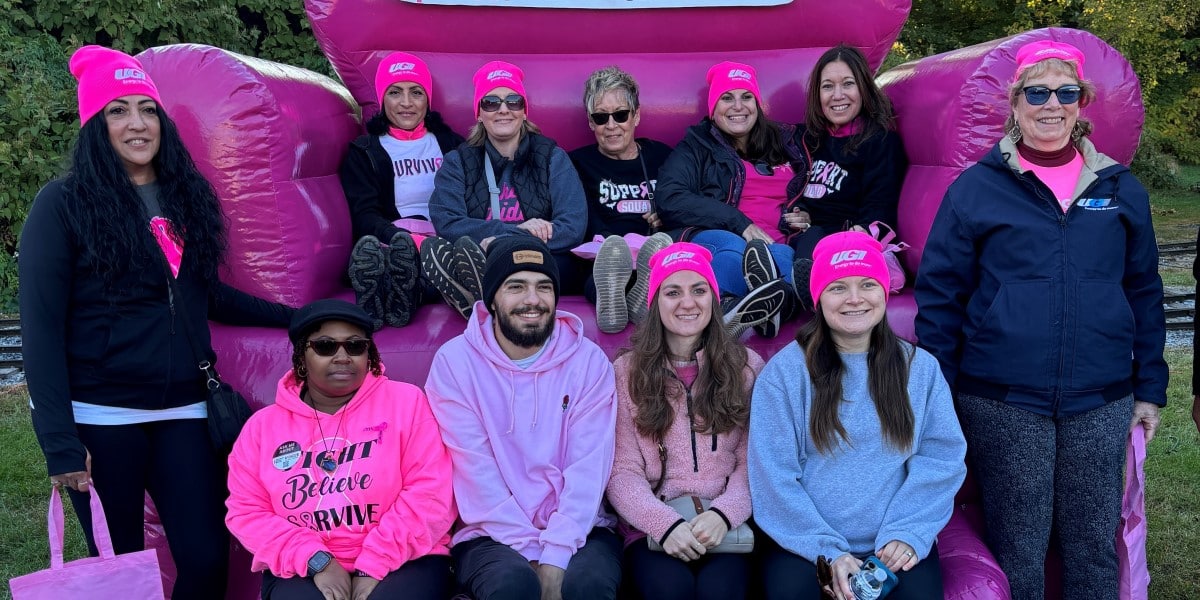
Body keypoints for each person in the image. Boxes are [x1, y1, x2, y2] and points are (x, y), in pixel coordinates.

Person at [18, 45, 294, 600]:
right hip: (101, 417)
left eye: (147, 108)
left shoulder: (182, 196)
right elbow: (39, 331)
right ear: (96, 124)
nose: (137, 123)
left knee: (206, 558)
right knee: (122, 574)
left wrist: (299, 317)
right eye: (118, 110)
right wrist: (60, 444)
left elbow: (202, 294)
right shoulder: (62, 204)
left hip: (183, 413)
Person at [914, 40, 1166, 600]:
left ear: (1082, 103)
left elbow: (1145, 292)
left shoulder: (1120, 189)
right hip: (1002, 398)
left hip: (1101, 396)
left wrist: (1149, 388)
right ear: (1015, 102)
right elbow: (940, 296)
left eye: (1066, 92)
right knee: (1020, 548)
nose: (1052, 104)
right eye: (1037, 92)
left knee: (1093, 544)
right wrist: (941, 392)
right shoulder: (976, 188)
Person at [749, 231, 966, 600]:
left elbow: (941, 458)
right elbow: (774, 477)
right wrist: (829, 552)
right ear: (818, 298)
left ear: (884, 292)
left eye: (867, 284)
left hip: (895, 542)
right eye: (837, 287)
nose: (854, 298)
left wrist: (907, 533)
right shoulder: (785, 373)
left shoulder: (920, 369)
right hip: (806, 544)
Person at [425, 236, 621, 600]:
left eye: (543, 287)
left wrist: (557, 554)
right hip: (489, 531)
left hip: (580, 529)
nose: (532, 299)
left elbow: (588, 469)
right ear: (492, 300)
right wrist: (532, 554)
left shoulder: (588, 362)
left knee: (588, 587)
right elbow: (475, 473)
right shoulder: (455, 364)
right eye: (516, 287)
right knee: (513, 586)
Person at [226, 300, 454, 600]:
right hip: (302, 566)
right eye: (325, 346)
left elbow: (431, 494)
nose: (343, 356)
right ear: (301, 358)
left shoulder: (406, 404)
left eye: (356, 346)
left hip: (405, 558)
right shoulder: (262, 429)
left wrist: (374, 563)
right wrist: (316, 560)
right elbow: (247, 512)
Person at [606, 242, 764, 600]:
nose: (687, 303)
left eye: (699, 290)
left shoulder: (746, 368)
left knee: (720, 591)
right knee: (669, 590)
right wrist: (664, 524)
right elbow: (621, 470)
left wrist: (724, 515)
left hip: (727, 523)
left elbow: (753, 462)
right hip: (651, 524)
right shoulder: (626, 372)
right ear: (655, 302)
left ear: (714, 298)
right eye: (672, 292)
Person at [426, 61, 588, 319]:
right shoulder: (458, 161)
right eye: (491, 102)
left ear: (524, 111)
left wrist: (504, 242)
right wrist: (518, 231)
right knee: (456, 251)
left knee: (547, 263)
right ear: (478, 113)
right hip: (482, 254)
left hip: (538, 259)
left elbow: (573, 226)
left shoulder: (551, 157)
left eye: (513, 101)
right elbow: (447, 222)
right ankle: (483, 286)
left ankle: (480, 292)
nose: (503, 109)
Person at [656, 60, 806, 338]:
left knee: (783, 257)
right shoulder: (698, 145)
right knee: (733, 246)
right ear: (713, 110)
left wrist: (806, 213)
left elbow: (819, 186)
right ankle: (729, 312)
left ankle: (764, 310)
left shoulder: (788, 142)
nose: (738, 106)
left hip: (777, 242)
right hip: (719, 234)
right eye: (727, 98)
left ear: (757, 104)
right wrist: (739, 222)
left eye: (746, 97)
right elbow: (670, 196)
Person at [340, 51, 465, 329]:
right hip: (392, 241)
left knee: (446, 263)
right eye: (395, 92)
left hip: (444, 241)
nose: (406, 103)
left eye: (416, 92)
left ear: (428, 99)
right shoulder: (365, 152)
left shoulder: (453, 145)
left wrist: (432, 244)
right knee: (386, 256)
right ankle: (383, 292)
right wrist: (404, 239)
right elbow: (364, 215)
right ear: (383, 99)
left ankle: (406, 293)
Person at [784, 45, 907, 310]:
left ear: (863, 87)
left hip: (850, 242)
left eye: (848, 84)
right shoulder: (809, 139)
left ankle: (799, 295)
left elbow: (880, 207)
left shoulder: (880, 141)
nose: (837, 95)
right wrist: (801, 212)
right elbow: (806, 192)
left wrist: (856, 235)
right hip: (807, 238)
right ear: (817, 94)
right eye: (827, 86)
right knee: (790, 247)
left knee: (814, 241)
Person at [569, 66, 675, 333]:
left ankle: (639, 295)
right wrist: (613, 246)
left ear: (636, 116)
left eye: (620, 114)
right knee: (602, 275)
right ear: (591, 122)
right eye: (601, 117)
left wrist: (666, 214)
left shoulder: (662, 156)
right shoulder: (577, 162)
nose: (612, 125)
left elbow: (683, 200)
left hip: (652, 253)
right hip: (603, 256)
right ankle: (621, 302)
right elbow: (582, 214)